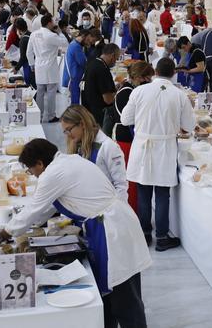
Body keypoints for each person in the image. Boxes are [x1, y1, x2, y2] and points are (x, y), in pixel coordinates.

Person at [0, 139, 151, 328]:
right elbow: (44, 209)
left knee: (124, 296)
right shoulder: (68, 161)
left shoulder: (52, 174)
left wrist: (4, 233)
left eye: (31, 170)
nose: (33, 175)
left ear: (40, 163)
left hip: (112, 229)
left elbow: (34, 209)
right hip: (110, 224)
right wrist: (21, 227)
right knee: (111, 294)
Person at [121, 58, 196, 251]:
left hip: (143, 144)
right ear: (173, 73)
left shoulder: (139, 91)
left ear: (154, 71)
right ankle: (162, 237)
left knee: (144, 192)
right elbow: (189, 126)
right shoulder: (179, 95)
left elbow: (125, 118)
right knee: (162, 193)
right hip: (165, 146)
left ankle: (144, 234)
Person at [61, 105, 129, 204]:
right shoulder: (77, 145)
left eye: (69, 129)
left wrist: (117, 213)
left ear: (82, 124)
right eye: (65, 131)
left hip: (106, 209)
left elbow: (121, 186)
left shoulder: (108, 147)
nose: (68, 134)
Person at [108, 61, 152, 212]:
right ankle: (132, 213)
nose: (150, 82)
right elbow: (128, 119)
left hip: (130, 138)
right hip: (124, 139)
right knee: (130, 180)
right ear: (140, 77)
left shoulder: (131, 89)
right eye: (148, 78)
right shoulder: (126, 92)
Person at [28, 15, 69, 126]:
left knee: (40, 92)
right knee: (51, 92)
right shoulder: (51, 35)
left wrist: (31, 64)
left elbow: (29, 52)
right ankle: (51, 116)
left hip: (39, 65)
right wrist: (60, 31)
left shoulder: (33, 34)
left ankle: (39, 116)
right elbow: (65, 43)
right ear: (49, 23)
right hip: (50, 66)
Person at [81, 43, 119, 126]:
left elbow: (98, 87)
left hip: (88, 111)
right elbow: (108, 100)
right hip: (100, 115)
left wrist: (115, 88)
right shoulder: (102, 69)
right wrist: (121, 94)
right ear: (112, 56)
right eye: (116, 58)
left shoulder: (93, 63)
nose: (115, 61)